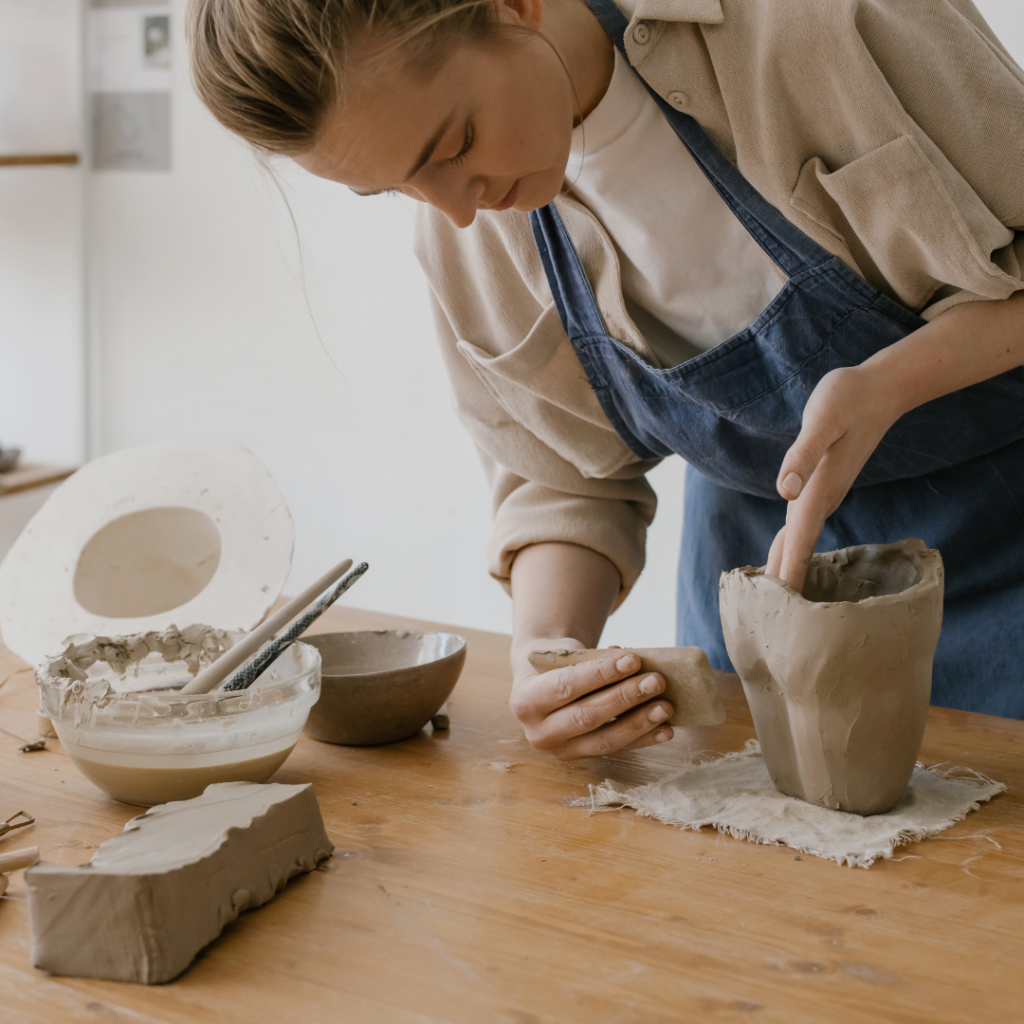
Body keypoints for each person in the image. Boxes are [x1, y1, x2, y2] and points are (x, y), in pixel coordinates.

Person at [187, 0, 1024, 758]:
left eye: (453, 145)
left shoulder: (815, 24)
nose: (455, 209)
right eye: (395, 188)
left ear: (514, 6)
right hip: (767, 599)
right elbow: (564, 480)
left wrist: (895, 380)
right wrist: (547, 655)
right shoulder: (464, 238)